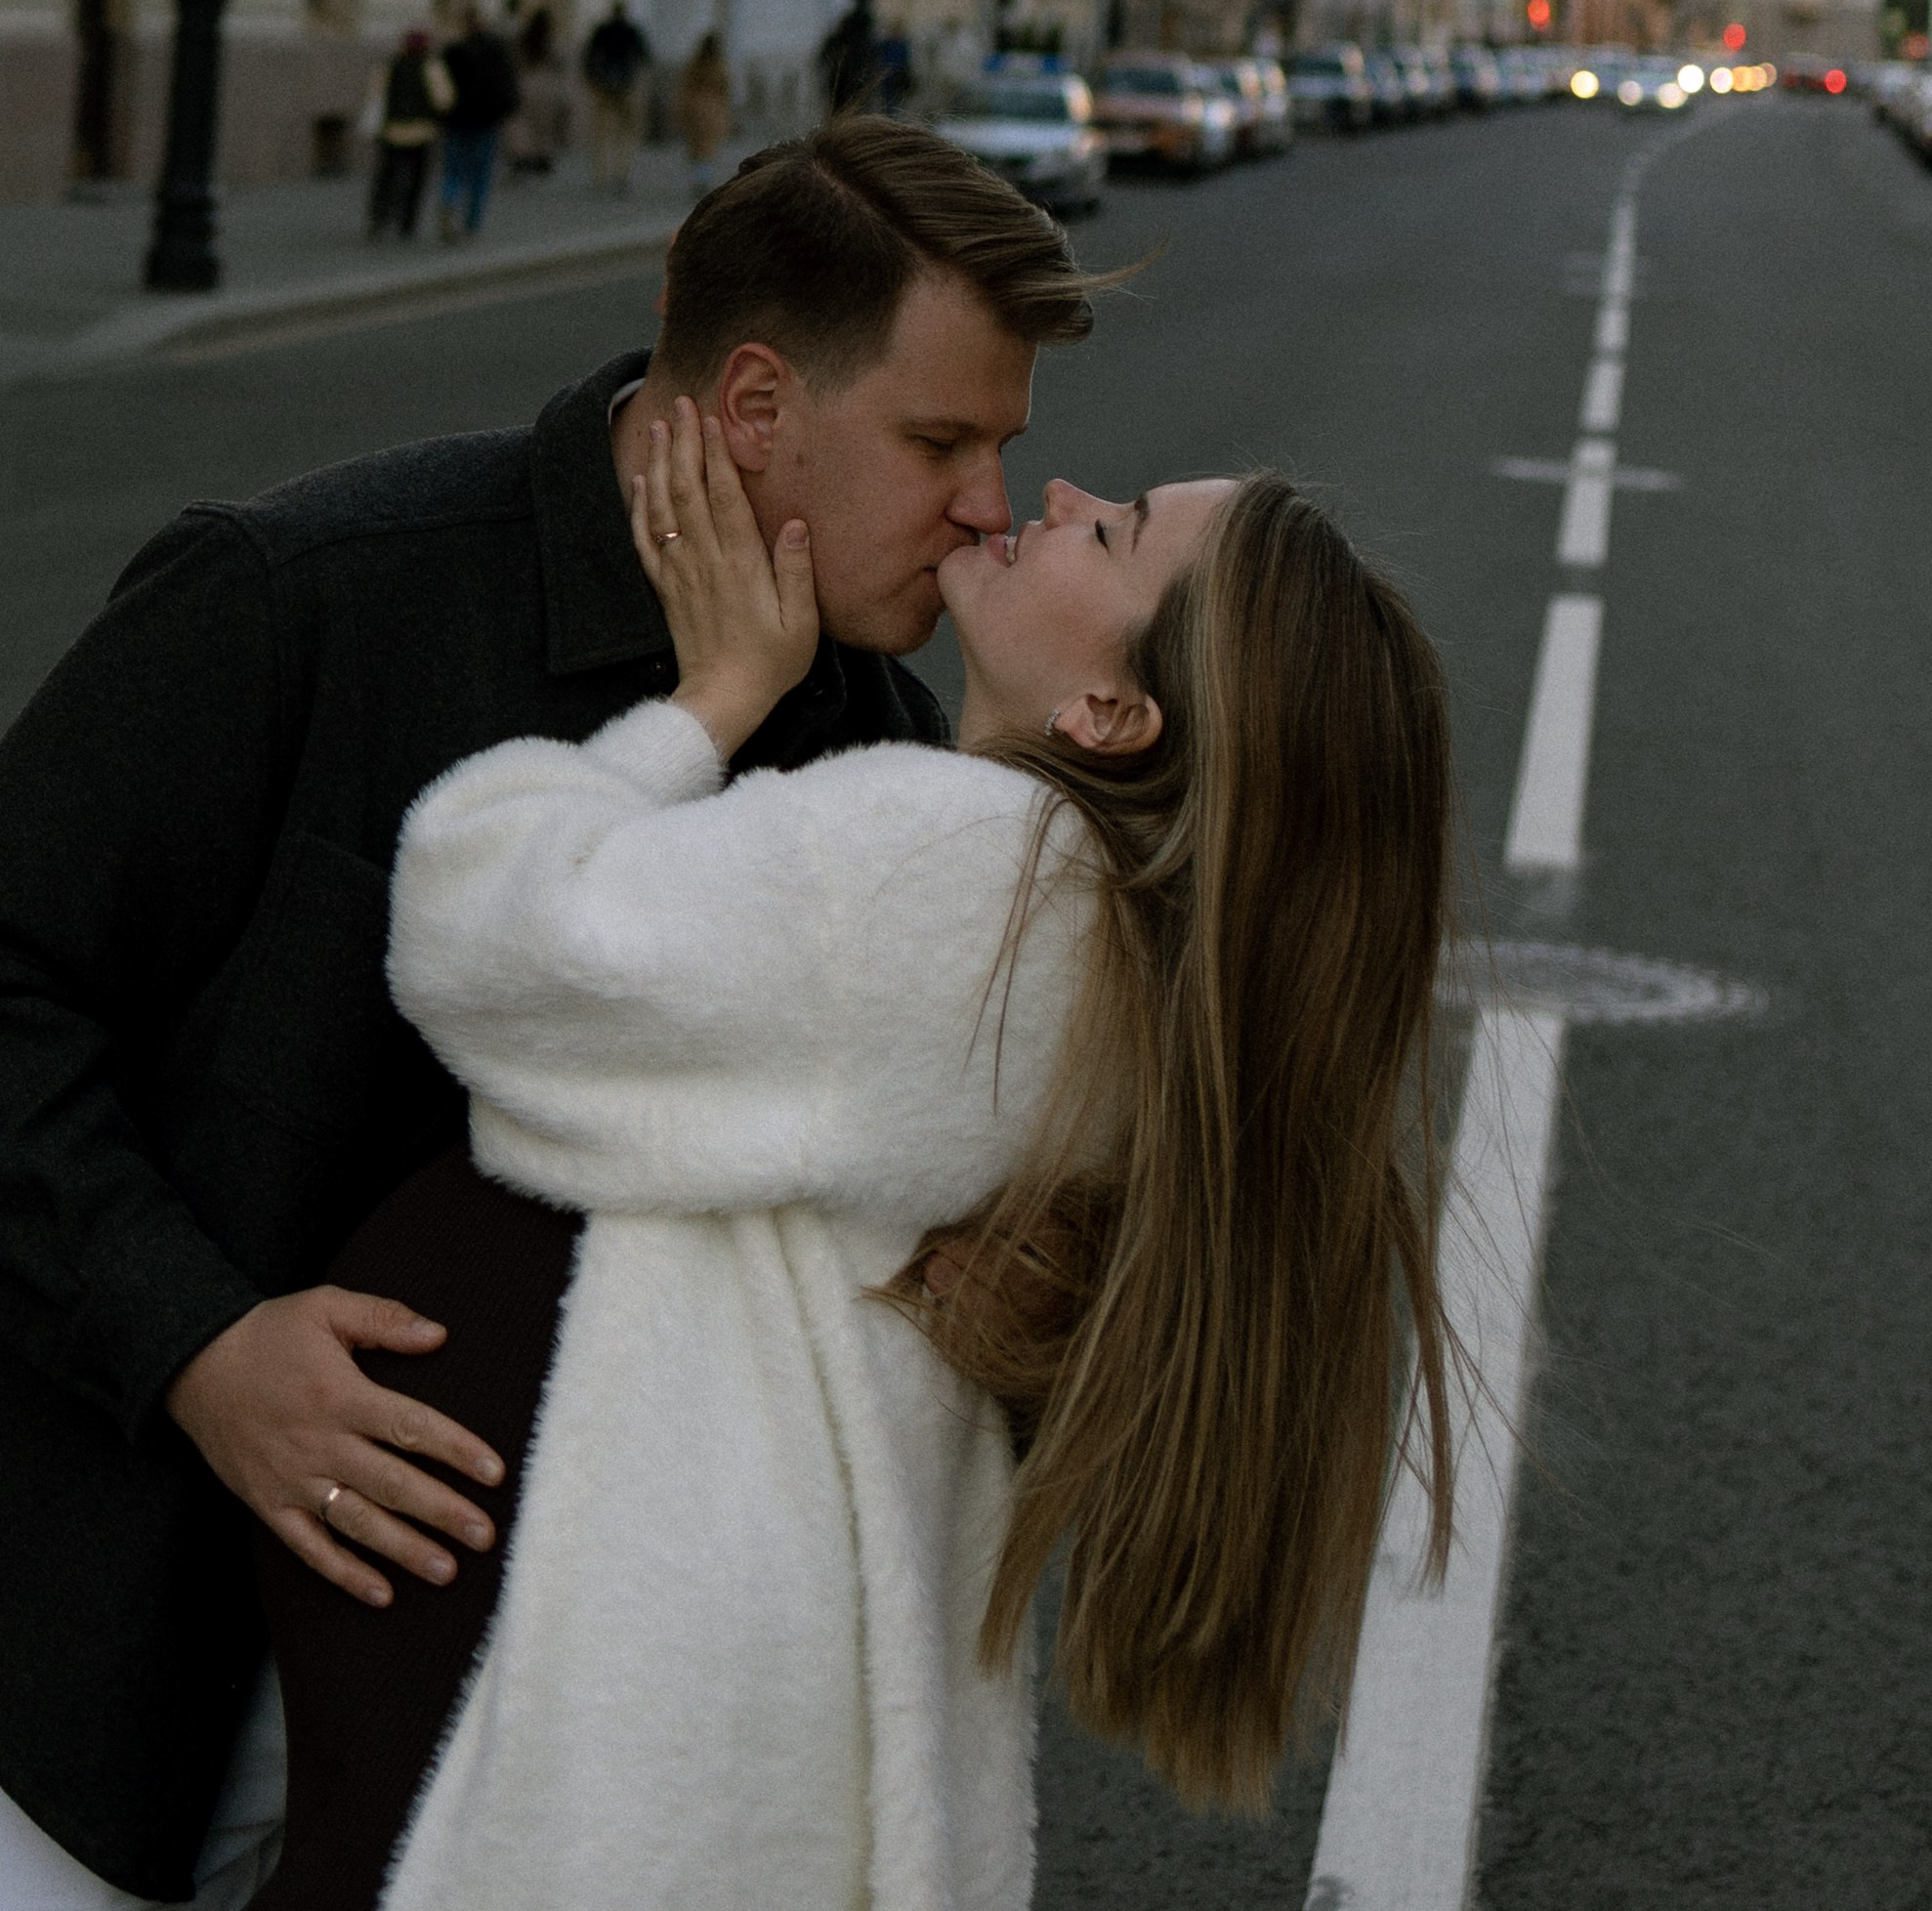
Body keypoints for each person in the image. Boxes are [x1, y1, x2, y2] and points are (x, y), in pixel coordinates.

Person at [0, 124, 1098, 1905]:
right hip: (119, 1684)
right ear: (753, 402)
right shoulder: (307, 597)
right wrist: (198, 1343)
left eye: (1004, 448)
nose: (986, 504)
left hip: (558, 1772)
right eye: (939, 439)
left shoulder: (884, 752)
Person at [251, 416, 1459, 1907]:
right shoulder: (1128, 959)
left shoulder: (945, 865)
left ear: (1108, 707)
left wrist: (708, 700)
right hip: (752, 1636)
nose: (1061, 493)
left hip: (629, 1639)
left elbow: (488, 931)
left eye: (1115, 530)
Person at [436, 11, 521, 244]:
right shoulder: (496, 52)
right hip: (485, 121)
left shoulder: (453, 52)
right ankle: (471, 224)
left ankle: (448, 200)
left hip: (456, 120)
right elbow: (507, 85)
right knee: (481, 174)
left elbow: (441, 87)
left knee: (453, 169)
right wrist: (507, 110)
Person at [361, 33, 452, 241]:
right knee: (417, 179)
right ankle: (407, 221)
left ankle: (379, 217)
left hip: (393, 131)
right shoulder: (431, 67)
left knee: (388, 176)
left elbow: (376, 96)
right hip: (422, 132)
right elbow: (444, 99)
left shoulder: (390, 66)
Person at [580, 0, 651, 194]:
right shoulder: (631, 31)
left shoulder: (603, 30)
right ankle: (622, 172)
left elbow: (590, 56)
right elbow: (644, 56)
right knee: (626, 132)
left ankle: (601, 174)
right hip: (626, 85)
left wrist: (593, 78)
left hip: (604, 85)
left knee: (602, 132)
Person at [507, 8, 567, 177]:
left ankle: (522, 154)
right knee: (544, 124)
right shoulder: (551, 40)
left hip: (526, 83)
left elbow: (515, 60)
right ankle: (542, 156)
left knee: (523, 123)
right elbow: (560, 62)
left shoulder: (524, 39)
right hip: (547, 85)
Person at [674, 30, 734, 192]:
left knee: (696, 146)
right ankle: (703, 177)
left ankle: (699, 177)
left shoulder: (694, 64)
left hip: (694, 106)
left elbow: (686, 86)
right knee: (708, 147)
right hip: (713, 109)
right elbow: (725, 88)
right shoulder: (720, 66)